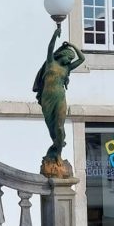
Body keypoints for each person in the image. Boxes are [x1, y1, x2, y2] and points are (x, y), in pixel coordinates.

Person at [32, 27, 85, 162]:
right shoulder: (51, 63)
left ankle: (59, 155)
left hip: (60, 98)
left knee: (60, 127)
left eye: (71, 59)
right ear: (62, 55)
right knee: (52, 128)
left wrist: (73, 45)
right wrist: (55, 35)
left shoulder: (66, 68)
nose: (69, 61)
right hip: (47, 99)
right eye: (68, 57)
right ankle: (56, 146)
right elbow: (50, 48)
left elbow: (82, 59)